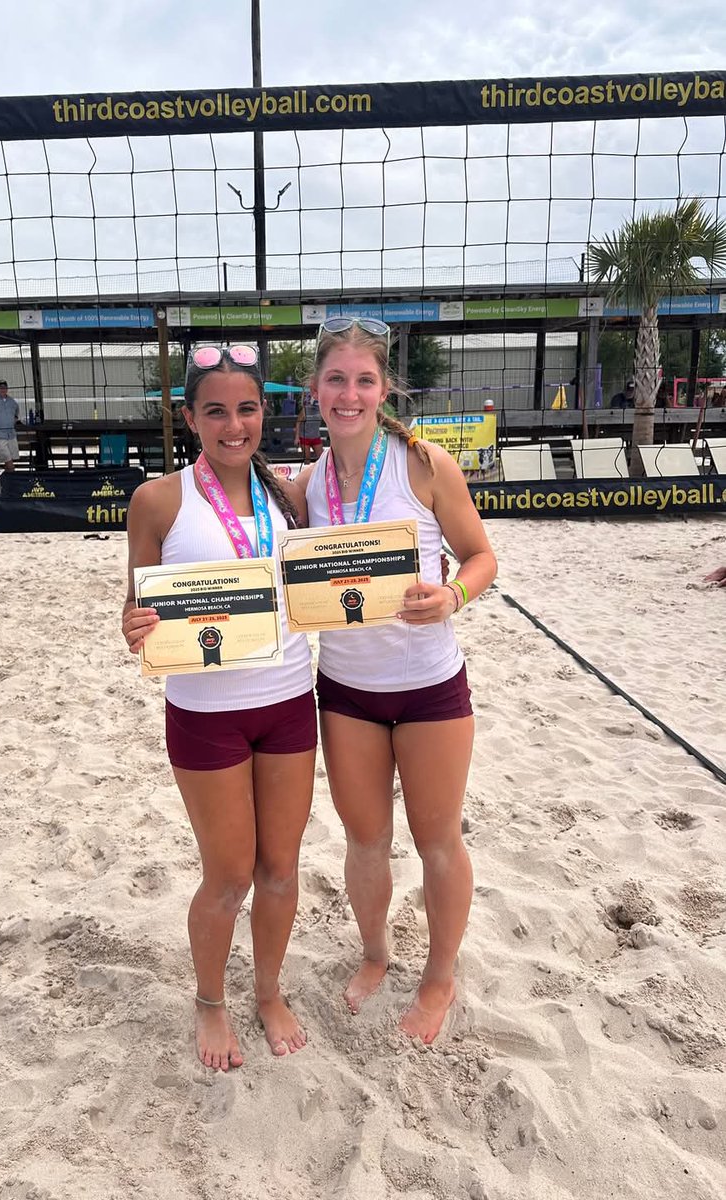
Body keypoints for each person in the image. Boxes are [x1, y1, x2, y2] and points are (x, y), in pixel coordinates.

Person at [300, 316, 498, 1046]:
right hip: (347, 689)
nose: (348, 394)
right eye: (335, 379)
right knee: (364, 839)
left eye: (363, 380)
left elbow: (481, 557)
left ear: (383, 389)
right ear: (315, 391)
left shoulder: (423, 465)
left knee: (437, 839)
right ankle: (377, 953)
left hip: (429, 689)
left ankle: (440, 975)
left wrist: (452, 597)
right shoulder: (309, 485)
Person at [121, 343, 316, 1071]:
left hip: (292, 702)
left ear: (264, 411)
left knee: (280, 871)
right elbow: (136, 608)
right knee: (229, 875)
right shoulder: (159, 499)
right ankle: (210, 1002)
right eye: (215, 411)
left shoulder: (289, 495)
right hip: (205, 713)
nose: (233, 425)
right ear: (190, 417)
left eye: (246, 409)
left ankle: (267, 992)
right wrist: (133, 625)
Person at [0, 380, 20, 472]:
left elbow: (16, 411)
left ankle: (7, 478)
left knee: (11, 457)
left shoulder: (11, 401)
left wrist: (15, 418)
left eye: (4, 387)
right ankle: (14, 478)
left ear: (7, 389)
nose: (2, 389)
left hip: (10, 434)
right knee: (7, 458)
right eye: (0, 387)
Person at [294, 393, 324, 463]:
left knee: (322, 458)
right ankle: (307, 472)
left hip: (316, 436)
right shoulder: (305, 410)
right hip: (305, 437)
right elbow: (298, 422)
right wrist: (297, 437)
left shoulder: (321, 410)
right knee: (307, 459)